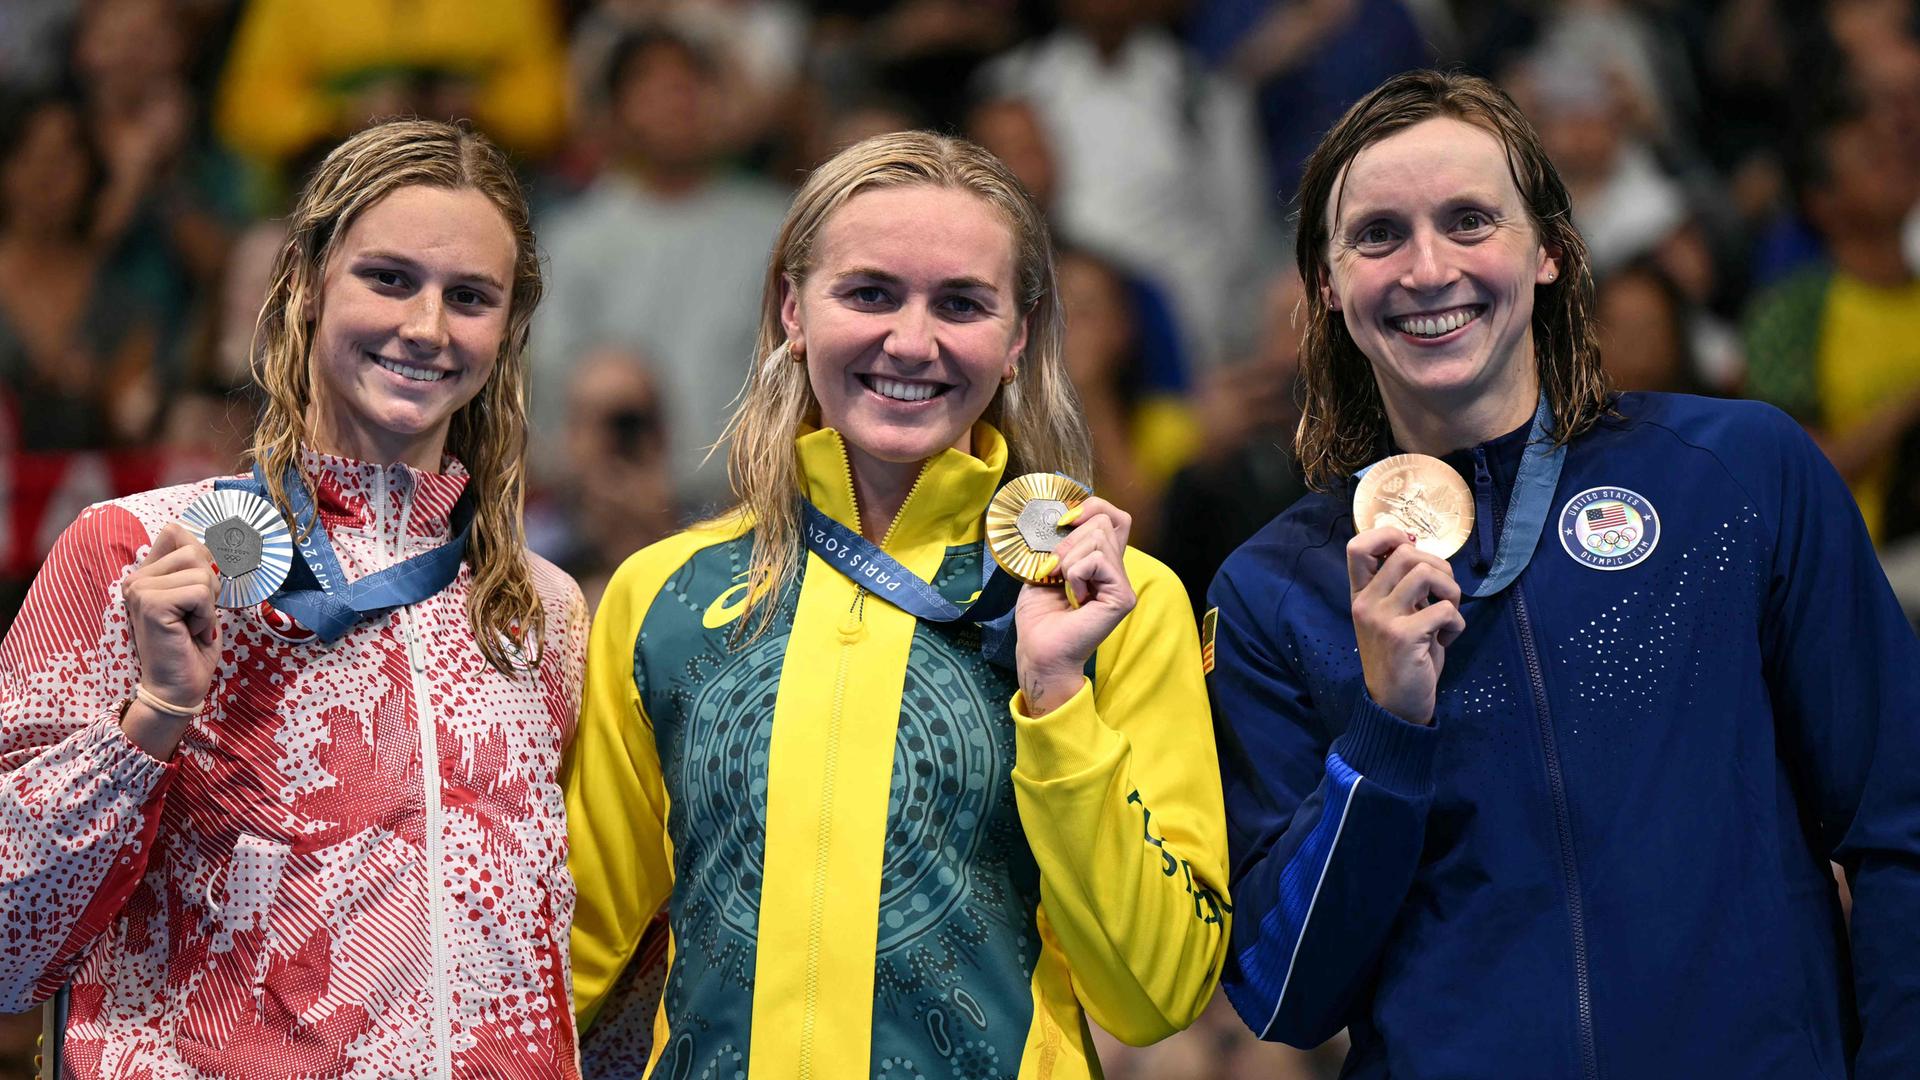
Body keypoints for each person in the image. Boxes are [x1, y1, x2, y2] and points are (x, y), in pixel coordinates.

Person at [1208, 70, 1920, 1077]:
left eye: (1468, 221)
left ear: (1546, 250)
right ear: (1326, 286)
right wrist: (1383, 735)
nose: (1425, 269)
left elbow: (1901, 824)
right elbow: (1284, 994)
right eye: (1376, 236)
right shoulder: (1276, 589)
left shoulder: (1737, 475)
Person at [566, 130, 1229, 1079]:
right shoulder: (662, 596)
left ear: (1018, 337)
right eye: (870, 293)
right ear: (793, 308)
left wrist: (1055, 695)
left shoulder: (1113, 601)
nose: (910, 341)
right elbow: (568, 962)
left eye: (960, 303)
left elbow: (1157, 991)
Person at [0, 119, 588, 1078]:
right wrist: (151, 720)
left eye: (469, 297)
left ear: (507, 328)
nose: (427, 328)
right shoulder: (133, 549)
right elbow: (6, 948)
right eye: (388, 278)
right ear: (308, 282)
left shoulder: (539, 609)